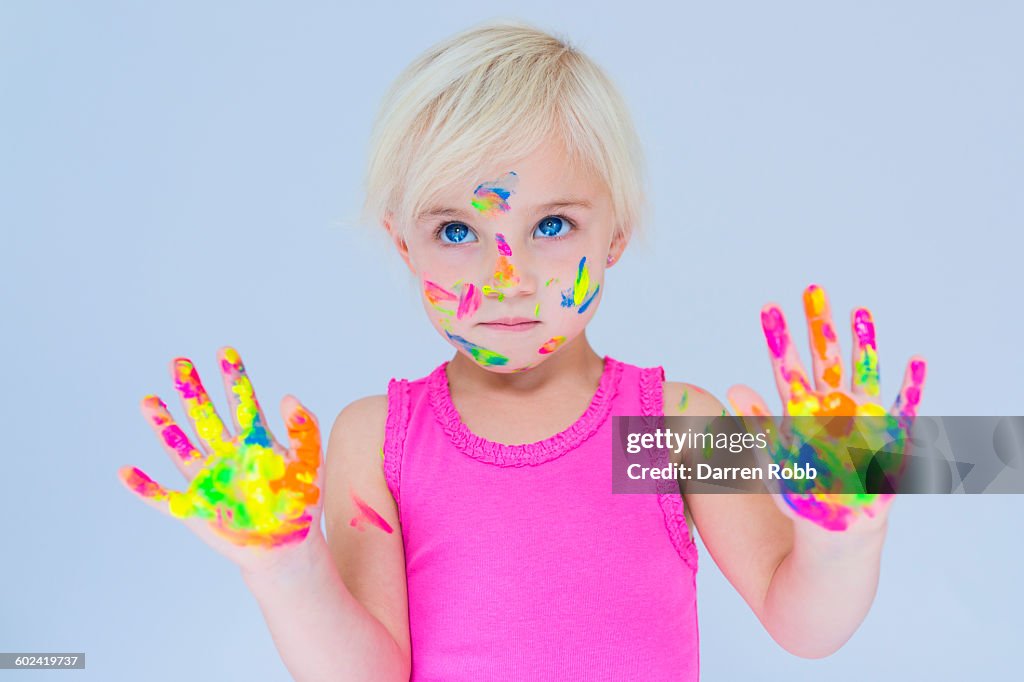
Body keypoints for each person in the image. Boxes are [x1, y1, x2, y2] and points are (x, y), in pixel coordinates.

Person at [119, 20, 927, 681]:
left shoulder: (664, 431)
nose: (506, 279)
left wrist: (843, 534)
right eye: (457, 232)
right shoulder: (380, 441)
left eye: (550, 225)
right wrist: (284, 567)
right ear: (404, 248)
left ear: (617, 234)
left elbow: (802, 625)